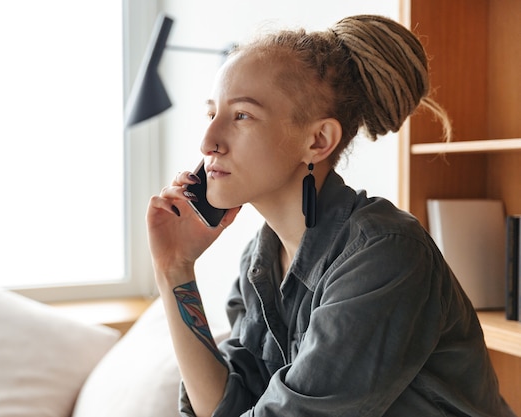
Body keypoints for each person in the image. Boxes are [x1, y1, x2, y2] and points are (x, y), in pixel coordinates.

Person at [146, 14, 515, 417]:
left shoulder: (385, 255)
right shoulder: (262, 259)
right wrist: (175, 269)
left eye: (242, 116)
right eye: (211, 113)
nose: (208, 141)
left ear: (318, 141)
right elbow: (224, 406)